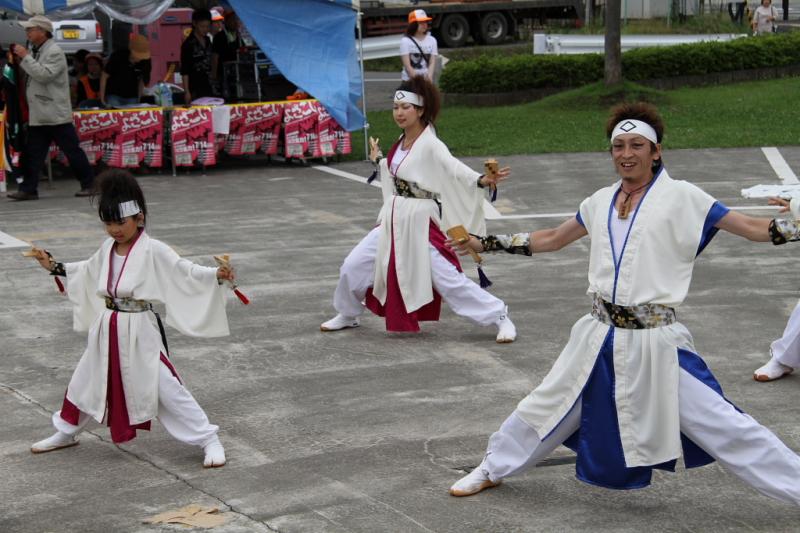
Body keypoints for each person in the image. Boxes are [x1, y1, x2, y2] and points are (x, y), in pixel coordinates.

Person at [448, 102, 800, 506]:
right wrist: (485, 243)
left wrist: (795, 226)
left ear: (656, 151)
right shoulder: (599, 201)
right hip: (596, 336)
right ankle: (493, 467)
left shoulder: (684, 197)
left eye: (636, 145)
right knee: (545, 406)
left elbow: (753, 228)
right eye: (618, 146)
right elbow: (552, 238)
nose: (626, 154)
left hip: (655, 342)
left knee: (726, 425)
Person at [27, 169, 233, 468]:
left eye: (120, 222)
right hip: (107, 325)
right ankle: (66, 431)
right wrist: (53, 266)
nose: (114, 230)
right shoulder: (108, 248)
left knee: (165, 386)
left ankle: (208, 438)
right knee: (86, 380)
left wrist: (217, 274)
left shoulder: (154, 249)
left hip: (138, 328)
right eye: (108, 223)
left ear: (139, 218)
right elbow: (87, 270)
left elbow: (183, 270)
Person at [320, 75, 516, 343]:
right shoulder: (401, 142)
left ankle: (499, 315)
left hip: (420, 223)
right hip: (392, 219)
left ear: (421, 110)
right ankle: (348, 313)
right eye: (395, 108)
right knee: (353, 266)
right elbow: (398, 174)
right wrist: (379, 160)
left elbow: (452, 166)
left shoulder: (431, 143)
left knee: (448, 279)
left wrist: (479, 180)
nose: (399, 113)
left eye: (405, 108)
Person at [7, 15, 94, 201]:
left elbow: (44, 75)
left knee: (72, 151)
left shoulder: (54, 51)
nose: (27, 33)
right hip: (40, 114)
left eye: (31, 29)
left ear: (42, 31)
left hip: (54, 114)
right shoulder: (38, 50)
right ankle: (28, 189)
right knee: (33, 154)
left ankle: (90, 184)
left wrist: (25, 57)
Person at [101, 35, 151, 108]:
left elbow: (142, 80)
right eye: (138, 55)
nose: (140, 58)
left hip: (132, 96)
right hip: (114, 95)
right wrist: (102, 98)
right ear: (131, 51)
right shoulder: (118, 56)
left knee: (132, 117)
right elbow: (104, 76)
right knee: (115, 117)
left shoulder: (146, 61)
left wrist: (138, 98)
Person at [180, 9, 214, 104]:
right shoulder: (188, 44)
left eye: (208, 26)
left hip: (210, 86)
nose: (205, 29)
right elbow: (185, 70)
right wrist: (187, 91)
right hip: (195, 87)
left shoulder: (208, 41)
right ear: (194, 24)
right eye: (202, 26)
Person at [400, 9, 438, 83]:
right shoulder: (405, 41)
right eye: (421, 22)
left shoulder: (432, 40)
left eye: (426, 22)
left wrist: (429, 77)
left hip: (426, 81)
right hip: (409, 81)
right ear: (413, 24)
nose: (424, 24)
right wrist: (418, 81)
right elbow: (407, 66)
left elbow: (432, 62)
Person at [211, 10, 244, 84]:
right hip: (223, 76)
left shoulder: (238, 36)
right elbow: (215, 56)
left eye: (237, 20)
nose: (236, 23)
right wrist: (214, 75)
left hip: (238, 75)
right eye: (233, 20)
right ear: (226, 21)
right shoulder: (219, 36)